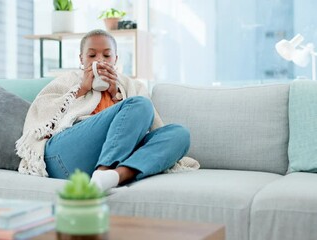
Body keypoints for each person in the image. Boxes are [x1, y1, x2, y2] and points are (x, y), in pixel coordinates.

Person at [16, 29, 190, 191]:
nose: (99, 60)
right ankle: (104, 169)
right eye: (92, 55)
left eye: (107, 55)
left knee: (180, 134)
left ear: (115, 59)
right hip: (65, 156)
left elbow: (151, 129)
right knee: (140, 104)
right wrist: (81, 90)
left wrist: (116, 95)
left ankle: (113, 177)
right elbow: (43, 115)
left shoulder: (132, 87)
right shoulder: (68, 80)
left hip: (109, 160)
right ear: (81, 59)